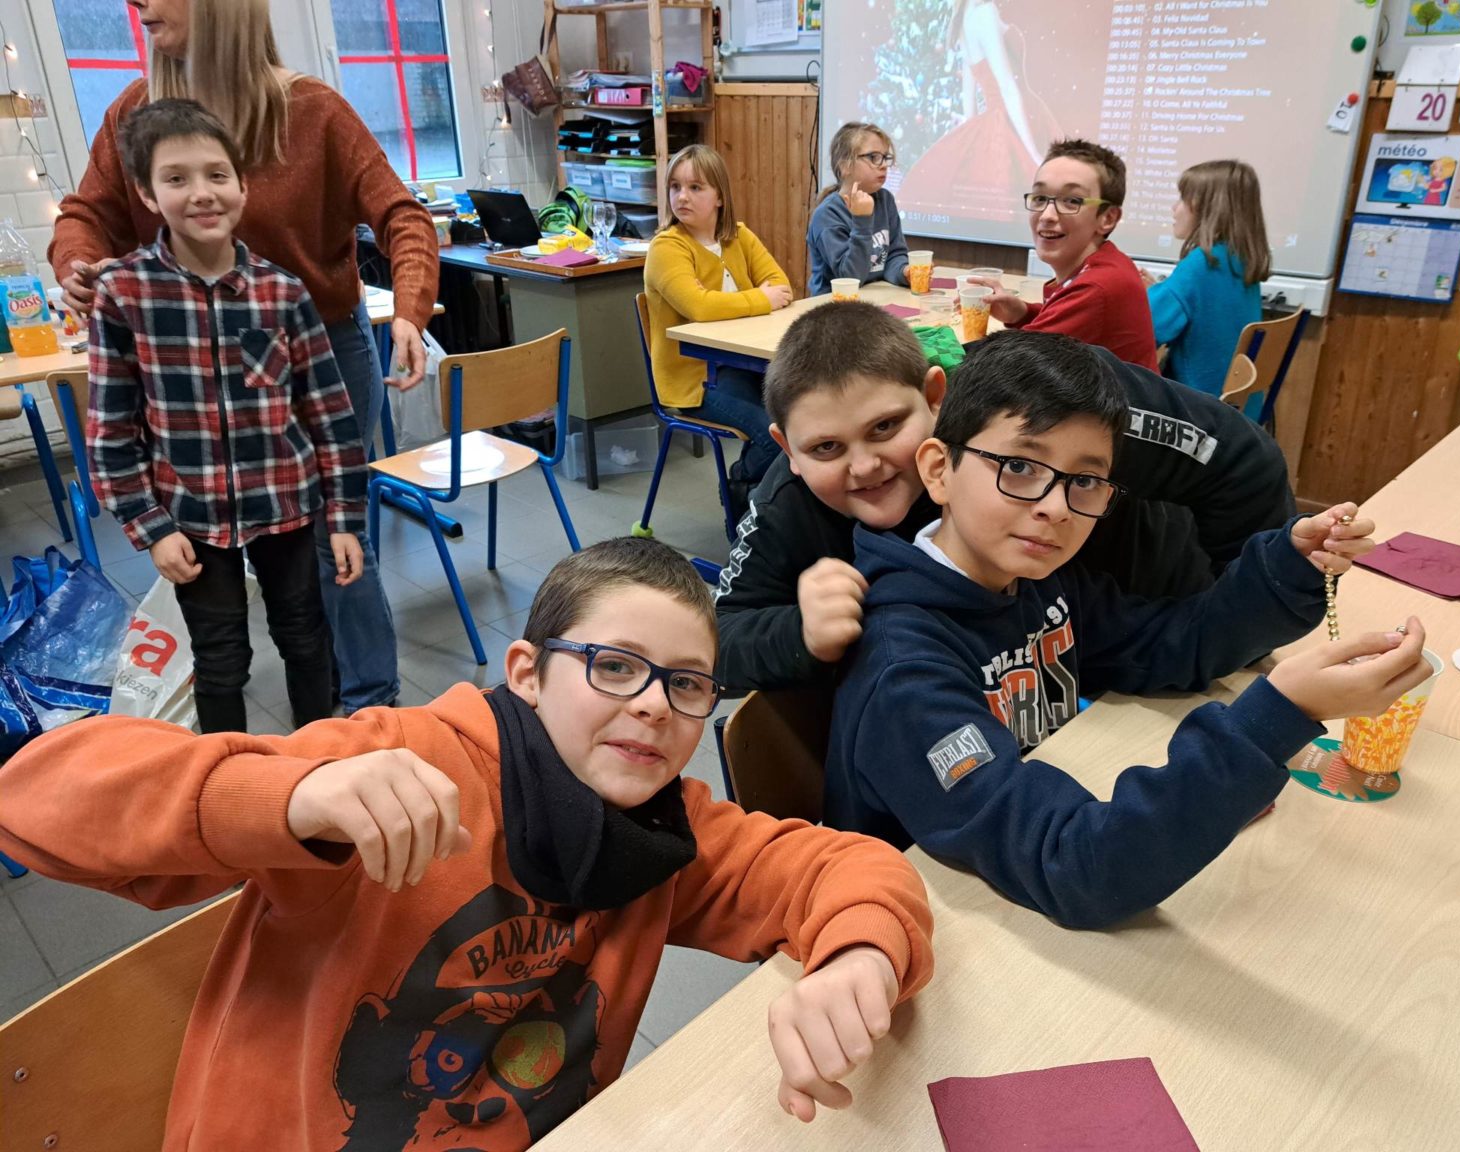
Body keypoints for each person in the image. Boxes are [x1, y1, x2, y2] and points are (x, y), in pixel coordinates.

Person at [0, 538, 936, 1148]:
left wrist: (858, 953)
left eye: (687, 685)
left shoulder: (667, 832)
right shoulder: (398, 764)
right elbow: (34, 796)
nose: (654, 704)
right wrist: (288, 798)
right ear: (525, 672)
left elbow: (845, 866)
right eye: (614, 666)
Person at [823, 330, 1431, 929]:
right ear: (938, 470)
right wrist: (1277, 717)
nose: (1055, 506)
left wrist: (1287, 568)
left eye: (1085, 481)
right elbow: (1076, 867)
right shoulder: (904, 671)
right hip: (921, 926)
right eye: (1019, 466)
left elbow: (1175, 646)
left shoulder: (1035, 582)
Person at [50, 0, 437, 715]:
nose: (136, 4)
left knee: (334, 539)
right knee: (217, 541)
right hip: (190, 356)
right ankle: (256, 679)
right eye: (177, 180)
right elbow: (86, 215)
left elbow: (401, 214)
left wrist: (410, 310)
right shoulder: (136, 110)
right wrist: (78, 260)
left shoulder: (314, 111)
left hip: (318, 345)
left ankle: (369, 706)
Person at [714, 302, 1294, 692]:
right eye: (825, 448)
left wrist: (1240, 614)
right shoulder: (791, 497)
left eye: (886, 427)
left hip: (1156, 633)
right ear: (788, 449)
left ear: (935, 397)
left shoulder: (1042, 409)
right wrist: (799, 631)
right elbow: (718, 642)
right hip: (1039, 689)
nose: (864, 466)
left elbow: (1244, 463)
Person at [89, 99, 367, 735]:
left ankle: (314, 758)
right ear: (148, 194)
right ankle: (227, 778)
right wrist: (150, 527)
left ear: (243, 184)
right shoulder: (124, 293)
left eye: (217, 174)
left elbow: (330, 415)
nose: (201, 193)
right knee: (219, 660)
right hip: (189, 515)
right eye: (176, 178)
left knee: (306, 637)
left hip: (286, 504)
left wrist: (345, 519)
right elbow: (111, 430)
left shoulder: (282, 291)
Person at [643, 144, 793, 487]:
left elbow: (781, 286)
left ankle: (761, 494)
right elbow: (701, 307)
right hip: (694, 381)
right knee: (777, 439)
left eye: (696, 187)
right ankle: (739, 486)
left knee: (802, 423)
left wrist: (723, 302)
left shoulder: (738, 236)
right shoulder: (666, 248)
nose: (682, 196)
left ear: (720, 197)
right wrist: (758, 298)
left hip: (743, 366)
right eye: (675, 186)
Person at [969, 139, 1159, 371]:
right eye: (1040, 198)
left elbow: (1002, 369)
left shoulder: (1097, 287)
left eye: (1071, 201)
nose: (1047, 215)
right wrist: (1022, 313)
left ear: (1107, 218)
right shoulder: (1106, 263)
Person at [898, 0, 1060, 225]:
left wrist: (973, 134)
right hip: (1018, 119)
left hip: (1010, 117)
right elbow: (1006, 86)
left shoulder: (964, 17)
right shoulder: (985, 12)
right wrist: (1033, 153)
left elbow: (969, 88)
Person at [1142, 159, 1270, 397]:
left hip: (1196, 408)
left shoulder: (1202, 264)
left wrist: (1145, 295)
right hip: (1235, 407)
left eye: (1182, 199)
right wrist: (1162, 291)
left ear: (1204, 208)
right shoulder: (1239, 259)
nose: (1174, 208)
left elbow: (1145, 328)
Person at [806, 122, 911, 297]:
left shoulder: (885, 200)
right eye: (873, 157)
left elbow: (893, 256)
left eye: (885, 157)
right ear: (845, 166)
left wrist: (904, 272)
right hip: (834, 305)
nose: (883, 165)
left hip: (874, 299)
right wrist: (862, 220)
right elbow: (851, 277)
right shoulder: (827, 215)